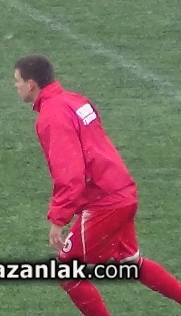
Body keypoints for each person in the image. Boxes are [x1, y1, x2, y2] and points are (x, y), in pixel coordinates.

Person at [12, 54, 181, 316]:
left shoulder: (52, 116)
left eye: (18, 80)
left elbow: (70, 173)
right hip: (121, 190)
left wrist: (58, 219)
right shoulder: (76, 100)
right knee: (130, 262)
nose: (16, 86)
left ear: (31, 83)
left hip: (105, 202)